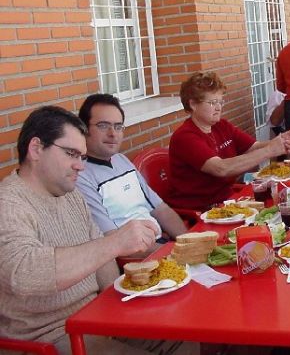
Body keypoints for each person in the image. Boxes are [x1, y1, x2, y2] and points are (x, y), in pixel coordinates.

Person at [0, 106, 188, 354]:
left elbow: (103, 261)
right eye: (71, 154)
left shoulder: (70, 195)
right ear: (36, 149)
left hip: (95, 316)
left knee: (183, 331)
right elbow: (26, 274)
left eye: (82, 157)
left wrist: (117, 307)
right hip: (49, 336)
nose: (80, 166)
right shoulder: (9, 204)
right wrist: (116, 242)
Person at [76, 94, 187, 259]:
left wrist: (188, 242)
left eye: (118, 126)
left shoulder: (121, 160)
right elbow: (112, 240)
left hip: (161, 245)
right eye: (103, 125)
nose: (113, 133)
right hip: (137, 260)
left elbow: (161, 210)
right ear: (84, 130)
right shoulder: (80, 176)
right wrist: (174, 252)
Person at [167, 71, 290, 211]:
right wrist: (270, 150)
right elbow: (221, 168)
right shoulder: (185, 137)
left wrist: (280, 142)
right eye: (212, 102)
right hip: (201, 210)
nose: (218, 107)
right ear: (192, 104)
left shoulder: (221, 125)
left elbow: (254, 146)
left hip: (228, 201)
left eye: (220, 101)